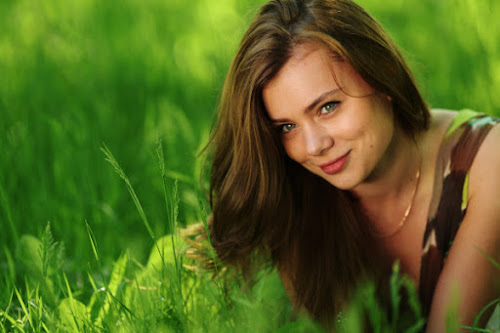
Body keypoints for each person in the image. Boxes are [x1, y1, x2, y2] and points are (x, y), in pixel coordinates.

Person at [203, 0, 500, 330]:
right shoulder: (295, 193)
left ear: (381, 73)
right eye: (287, 127)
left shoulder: (487, 159)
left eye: (328, 107)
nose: (314, 146)